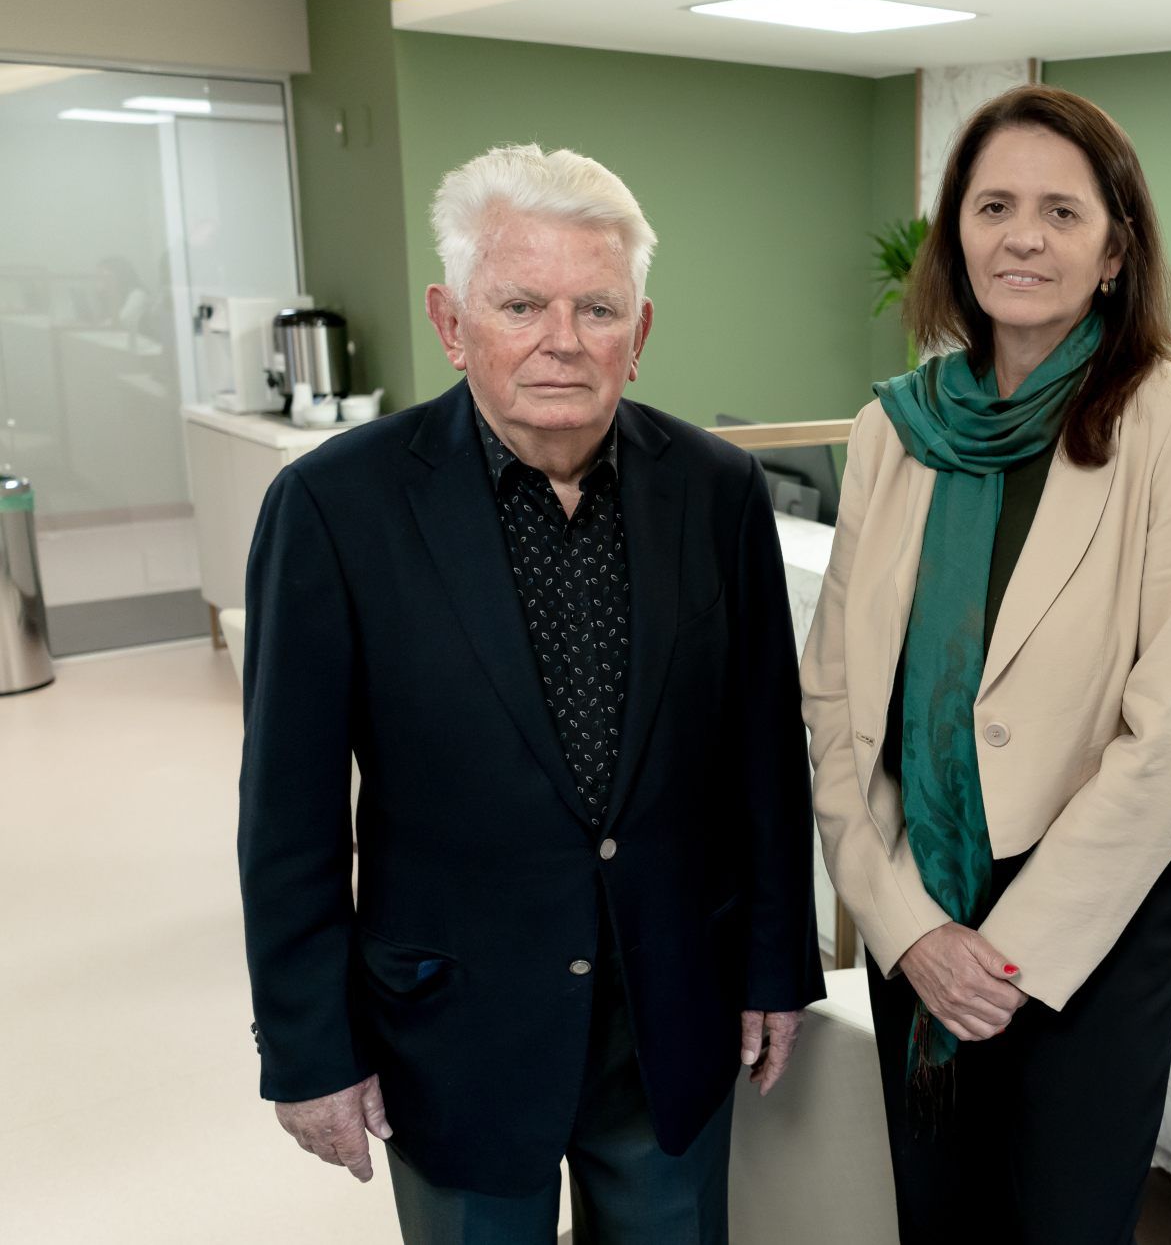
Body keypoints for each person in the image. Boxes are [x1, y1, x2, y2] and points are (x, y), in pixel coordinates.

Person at [237, 144, 825, 1244]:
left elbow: (763, 757)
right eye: (520, 304)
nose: (563, 340)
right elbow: (288, 812)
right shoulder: (333, 506)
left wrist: (774, 967)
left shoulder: (719, 490)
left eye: (597, 308)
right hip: (453, 1028)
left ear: (638, 335)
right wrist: (309, 1050)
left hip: (673, 1018)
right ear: (452, 323)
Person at [800, 85, 1171, 1242]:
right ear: (956, 233)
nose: (1023, 237)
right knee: (937, 1220)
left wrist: (1003, 955)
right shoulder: (893, 428)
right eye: (993, 205)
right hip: (918, 904)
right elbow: (837, 701)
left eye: (1062, 211)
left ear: (1114, 251)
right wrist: (906, 927)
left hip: (1086, 922)